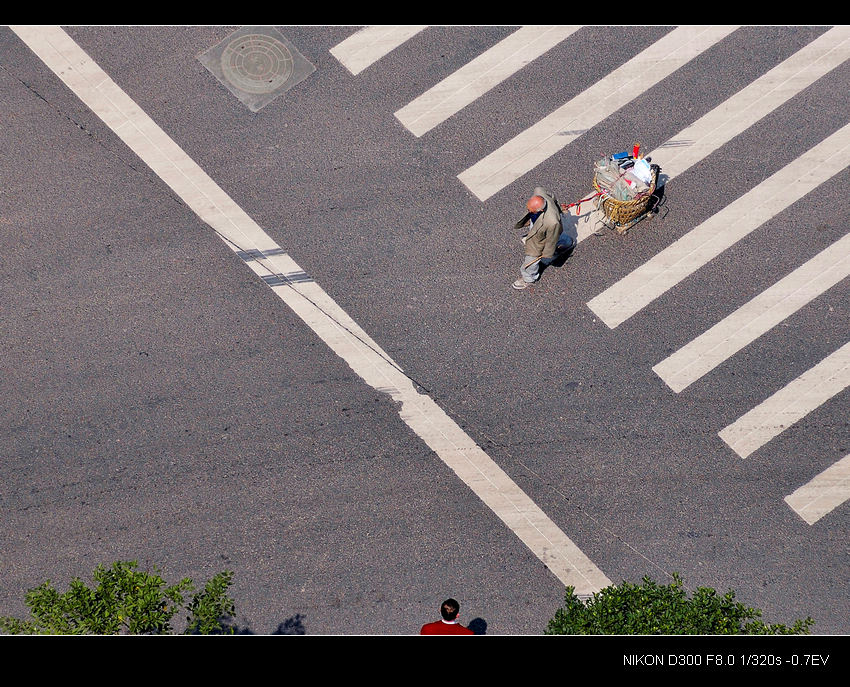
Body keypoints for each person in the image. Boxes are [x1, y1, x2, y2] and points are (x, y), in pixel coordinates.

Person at [512, 186, 576, 290]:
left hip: (543, 235)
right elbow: (552, 197)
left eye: (530, 210)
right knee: (557, 235)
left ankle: (529, 278)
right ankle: (567, 243)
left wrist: (546, 254)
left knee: (531, 260)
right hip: (541, 225)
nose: (528, 210)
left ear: (541, 209)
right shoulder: (539, 191)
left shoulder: (552, 221)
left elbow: (552, 239)